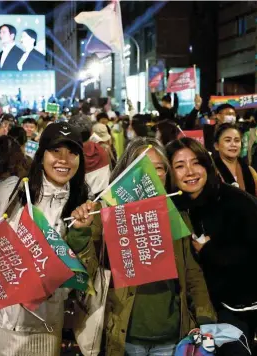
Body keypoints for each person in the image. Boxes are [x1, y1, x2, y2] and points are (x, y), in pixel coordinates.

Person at [0, 122, 98, 356]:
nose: (64, 159)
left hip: (45, 324)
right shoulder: (12, 191)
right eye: (56, 151)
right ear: (41, 154)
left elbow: (87, 273)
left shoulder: (85, 205)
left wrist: (81, 233)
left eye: (72, 153)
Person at [101, 137, 215, 356]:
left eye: (159, 168)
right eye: (141, 166)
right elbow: (90, 263)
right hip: (127, 335)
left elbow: (192, 273)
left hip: (170, 336)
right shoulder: (108, 216)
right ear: (127, 171)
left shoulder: (176, 216)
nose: (151, 174)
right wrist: (83, 229)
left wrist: (204, 318)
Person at [166, 137, 257, 356]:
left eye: (196, 162)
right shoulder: (175, 210)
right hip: (228, 307)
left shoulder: (236, 200)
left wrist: (211, 252)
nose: (190, 171)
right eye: (179, 166)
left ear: (207, 165)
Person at [213, 123, 257, 211]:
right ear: (216, 146)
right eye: (228, 140)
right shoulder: (211, 171)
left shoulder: (250, 170)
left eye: (237, 140)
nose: (233, 144)